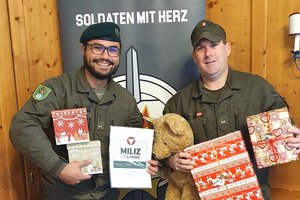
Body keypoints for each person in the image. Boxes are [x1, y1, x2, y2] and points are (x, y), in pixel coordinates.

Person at [9, 22, 158, 200]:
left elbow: (136, 138)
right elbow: (22, 125)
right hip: (62, 194)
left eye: (113, 50)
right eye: (98, 48)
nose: (105, 56)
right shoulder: (58, 89)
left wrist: (144, 162)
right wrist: (59, 168)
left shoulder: (125, 99)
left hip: (107, 194)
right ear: (83, 50)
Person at [162, 19, 300, 200]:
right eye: (200, 48)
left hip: (254, 195)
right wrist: (171, 161)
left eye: (213, 45)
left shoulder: (258, 88)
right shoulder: (178, 103)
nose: (208, 53)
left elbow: (286, 130)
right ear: (194, 56)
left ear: (227, 48)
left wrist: (294, 138)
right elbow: (162, 147)